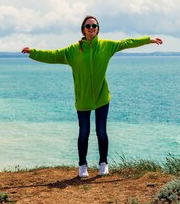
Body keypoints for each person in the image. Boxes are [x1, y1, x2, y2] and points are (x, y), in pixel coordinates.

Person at [21, 15, 163, 178]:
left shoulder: (106, 46)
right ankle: (82, 165)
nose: (91, 29)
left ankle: (103, 163)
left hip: (102, 97)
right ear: (83, 29)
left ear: (98, 29)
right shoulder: (72, 51)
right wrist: (33, 52)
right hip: (83, 98)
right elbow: (52, 55)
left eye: (94, 26)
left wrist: (150, 40)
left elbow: (127, 43)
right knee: (84, 133)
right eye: (88, 26)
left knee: (101, 132)